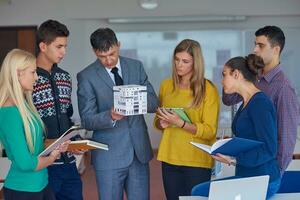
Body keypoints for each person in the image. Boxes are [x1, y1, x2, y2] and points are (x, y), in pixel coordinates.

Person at [77, 27, 158, 200]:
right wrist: (110, 116)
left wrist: (137, 100)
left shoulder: (136, 67)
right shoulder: (86, 76)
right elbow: (87, 120)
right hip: (108, 157)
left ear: (118, 45)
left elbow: (153, 102)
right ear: (94, 52)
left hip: (139, 153)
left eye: (112, 54)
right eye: (102, 56)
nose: (108, 60)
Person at [192, 54, 281, 199]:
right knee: (198, 191)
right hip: (247, 175)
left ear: (236, 74)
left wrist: (233, 160)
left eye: (224, 75)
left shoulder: (260, 103)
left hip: (262, 179)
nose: (221, 81)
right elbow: (249, 139)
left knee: (198, 192)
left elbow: (269, 149)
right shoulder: (246, 102)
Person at [223, 26, 300, 176]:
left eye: (261, 45)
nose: (255, 50)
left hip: (266, 170)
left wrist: (276, 172)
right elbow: (229, 99)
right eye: (255, 44)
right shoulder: (253, 75)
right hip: (247, 166)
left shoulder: (284, 87)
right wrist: (232, 73)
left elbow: (287, 137)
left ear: (276, 50)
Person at [154, 39, 220, 200]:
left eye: (185, 61)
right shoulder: (166, 86)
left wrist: (181, 123)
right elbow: (157, 121)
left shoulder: (208, 90)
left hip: (197, 160)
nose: (179, 65)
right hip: (169, 157)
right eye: (176, 60)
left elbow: (210, 131)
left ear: (195, 63)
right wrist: (161, 123)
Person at [0, 49, 69, 200]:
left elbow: (35, 145)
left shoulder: (24, 106)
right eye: (33, 72)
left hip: (42, 185)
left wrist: (55, 144)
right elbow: (25, 163)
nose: (37, 78)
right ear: (18, 74)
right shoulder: (9, 113)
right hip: (23, 190)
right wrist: (52, 158)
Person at [32, 19, 83, 200]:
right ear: (43, 46)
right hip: (43, 165)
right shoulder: (27, 79)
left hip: (68, 163)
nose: (64, 52)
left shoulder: (64, 77)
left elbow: (67, 116)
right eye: (59, 46)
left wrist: (76, 141)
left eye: (65, 46)